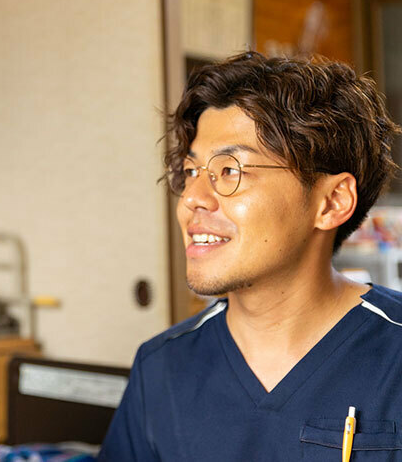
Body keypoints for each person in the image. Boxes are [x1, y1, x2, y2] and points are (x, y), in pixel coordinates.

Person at [99, 51, 402, 461]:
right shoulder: (162, 368)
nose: (191, 199)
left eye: (229, 171)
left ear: (331, 202)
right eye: (190, 173)